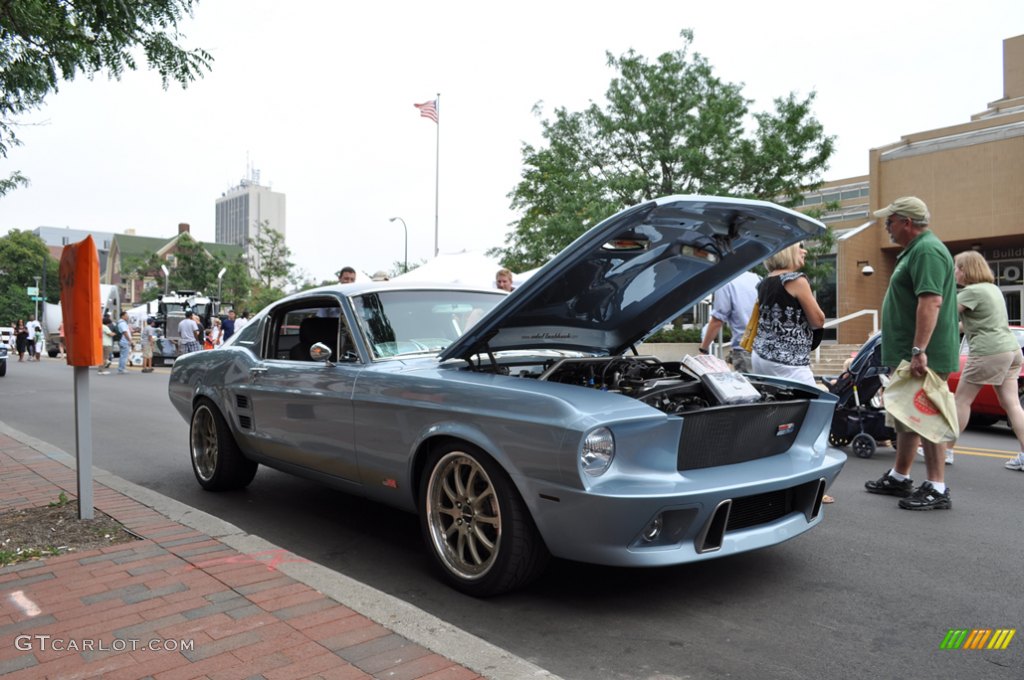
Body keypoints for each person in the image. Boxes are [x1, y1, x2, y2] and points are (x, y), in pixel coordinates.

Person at [864, 196, 959, 511]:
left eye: (889, 221)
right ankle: (900, 476)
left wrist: (919, 350)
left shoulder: (927, 250)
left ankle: (936, 486)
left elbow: (931, 302)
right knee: (910, 415)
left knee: (927, 415)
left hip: (923, 354)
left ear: (906, 221)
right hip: (911, 352)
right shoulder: (916, 250)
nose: (887, 227)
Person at [747, 243, 830, 502]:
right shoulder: (796, 280)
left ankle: (768, 474)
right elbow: (818, 319)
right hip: (789, 362)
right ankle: (813, 482)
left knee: (774, 418)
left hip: (762, 357)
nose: (805, 252)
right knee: (817, 417)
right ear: (788, 252)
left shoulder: (764, 282)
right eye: (801, 247)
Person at [944, 251, 1024, 471]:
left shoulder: (972, 292)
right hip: (1012, 351)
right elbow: (972, 324)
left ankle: (945, 451)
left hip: (989, 351)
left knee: (961, 401)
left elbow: (943, 315)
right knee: (1012, 404)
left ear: (966, 270)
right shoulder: (992, 289)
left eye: (956, 267)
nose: (954, 272)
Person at [698, 270, 760, 372]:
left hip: (743, 349)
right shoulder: (757, 278)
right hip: (761, 350)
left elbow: (717, 320)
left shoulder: (726, 282)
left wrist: (703, 350)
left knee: (748, 387)